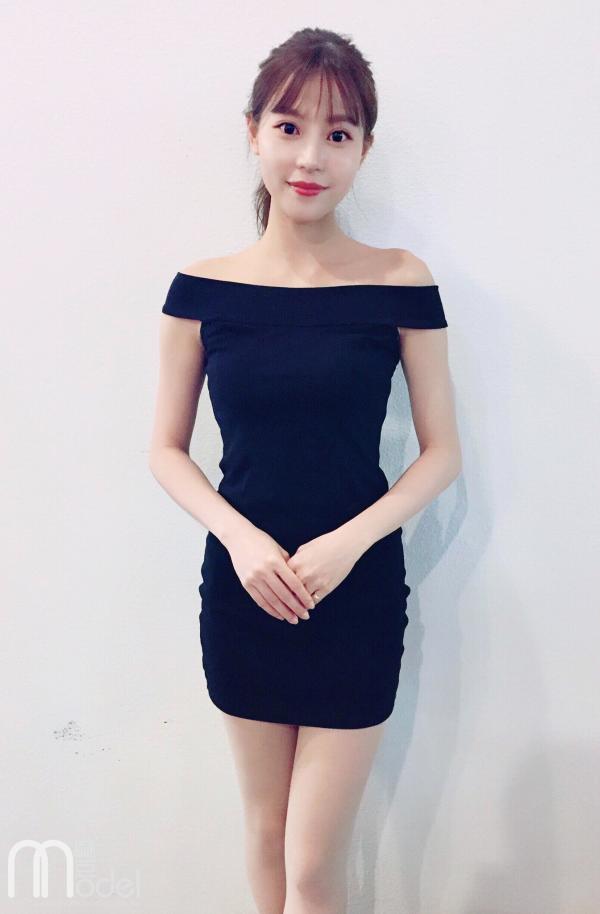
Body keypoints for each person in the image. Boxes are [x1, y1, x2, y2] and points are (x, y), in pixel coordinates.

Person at [149, 26, 462, 914]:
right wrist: (240, 540)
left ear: (365, 147)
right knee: (263, 835)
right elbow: (165, 448)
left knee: (314, 864)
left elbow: (442, 451)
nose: (311, 157)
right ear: (254, 132)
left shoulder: (400, 281)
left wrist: (349, 544)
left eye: (338, 133)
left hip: (355, 592)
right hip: (244, 590)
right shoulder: (200, 288)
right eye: (290, 128)